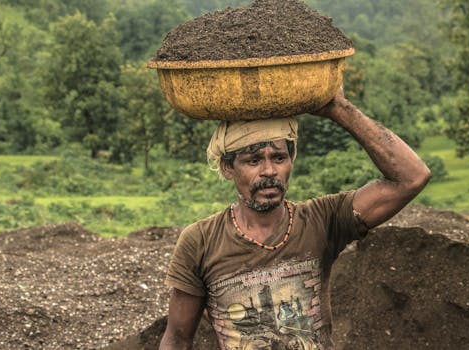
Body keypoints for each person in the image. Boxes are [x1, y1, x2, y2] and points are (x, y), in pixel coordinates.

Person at [159, 87, 431, 350]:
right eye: (253, 161)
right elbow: (177, 339)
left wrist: (339, 109)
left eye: (279, 157)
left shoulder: (322, 220)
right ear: (228, 167)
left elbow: (411, 177)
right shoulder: (201, 241)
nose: (269, 171)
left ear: (292, 159)